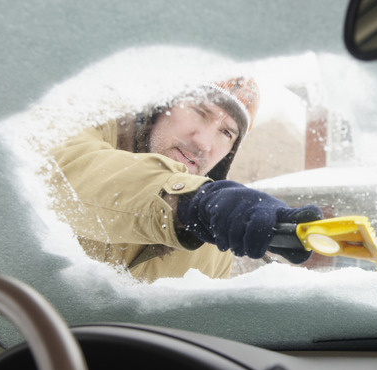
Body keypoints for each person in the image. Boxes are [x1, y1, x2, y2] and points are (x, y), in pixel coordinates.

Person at [48, 77, 322, 282]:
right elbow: (67, 177)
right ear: (162, 107)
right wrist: (192, 202)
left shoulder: (215, 245)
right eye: (200, 112)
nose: (203, 142)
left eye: (226, 132)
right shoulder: (83, 127)